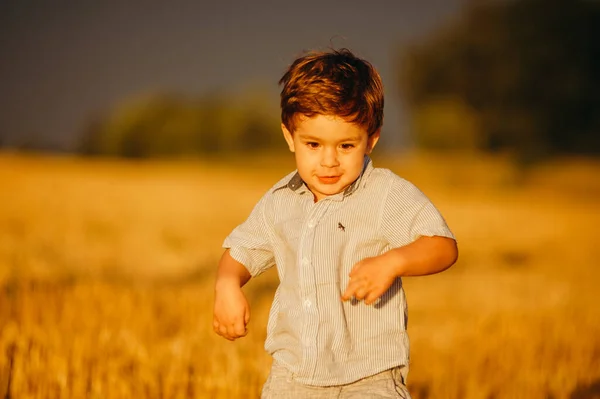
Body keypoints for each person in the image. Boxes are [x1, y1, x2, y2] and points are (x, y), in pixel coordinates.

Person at [213, 48, 458, 398]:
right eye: (313, 144)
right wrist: (226, 285)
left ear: (370, 139)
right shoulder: (279, 201)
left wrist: (393, 262)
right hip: (292, 377)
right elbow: (242, 251)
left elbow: (442, 246)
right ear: (289, 137)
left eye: (345, 145)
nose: (329, 161)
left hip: (369, 377)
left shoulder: (385, 193)